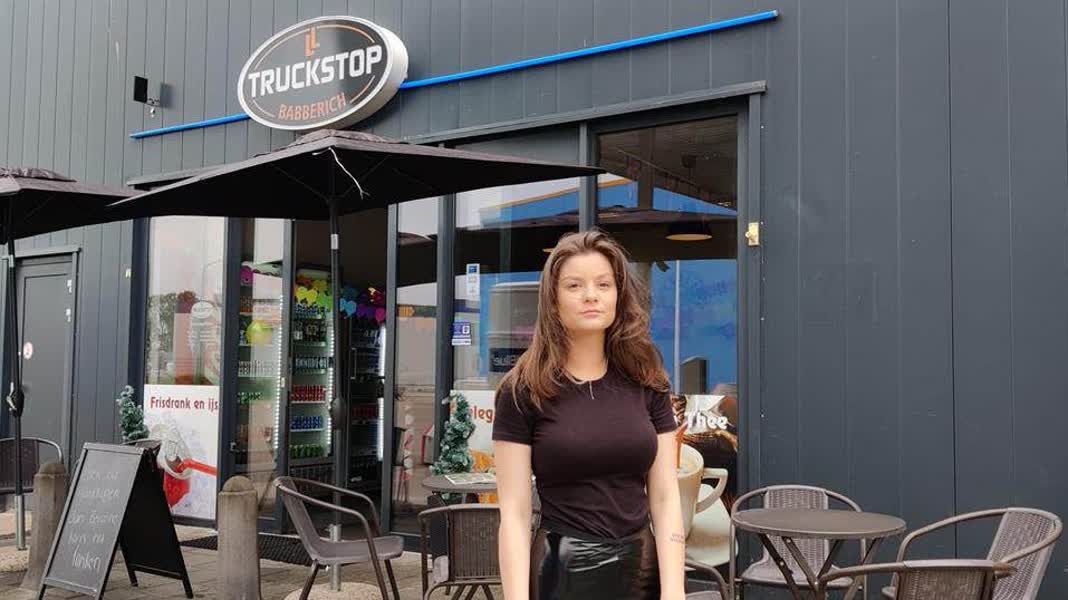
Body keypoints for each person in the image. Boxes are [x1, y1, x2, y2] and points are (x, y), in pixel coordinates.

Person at [493, 230, 685, 600]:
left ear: (618, 296)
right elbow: (514, 515)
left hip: (641, 570)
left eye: (603, 284)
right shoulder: (523, 390)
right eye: (574, 285)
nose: (591, 295)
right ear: (553, 300)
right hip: (561, 571)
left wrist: (674, 590)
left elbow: (665, 497)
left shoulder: (648, 381)